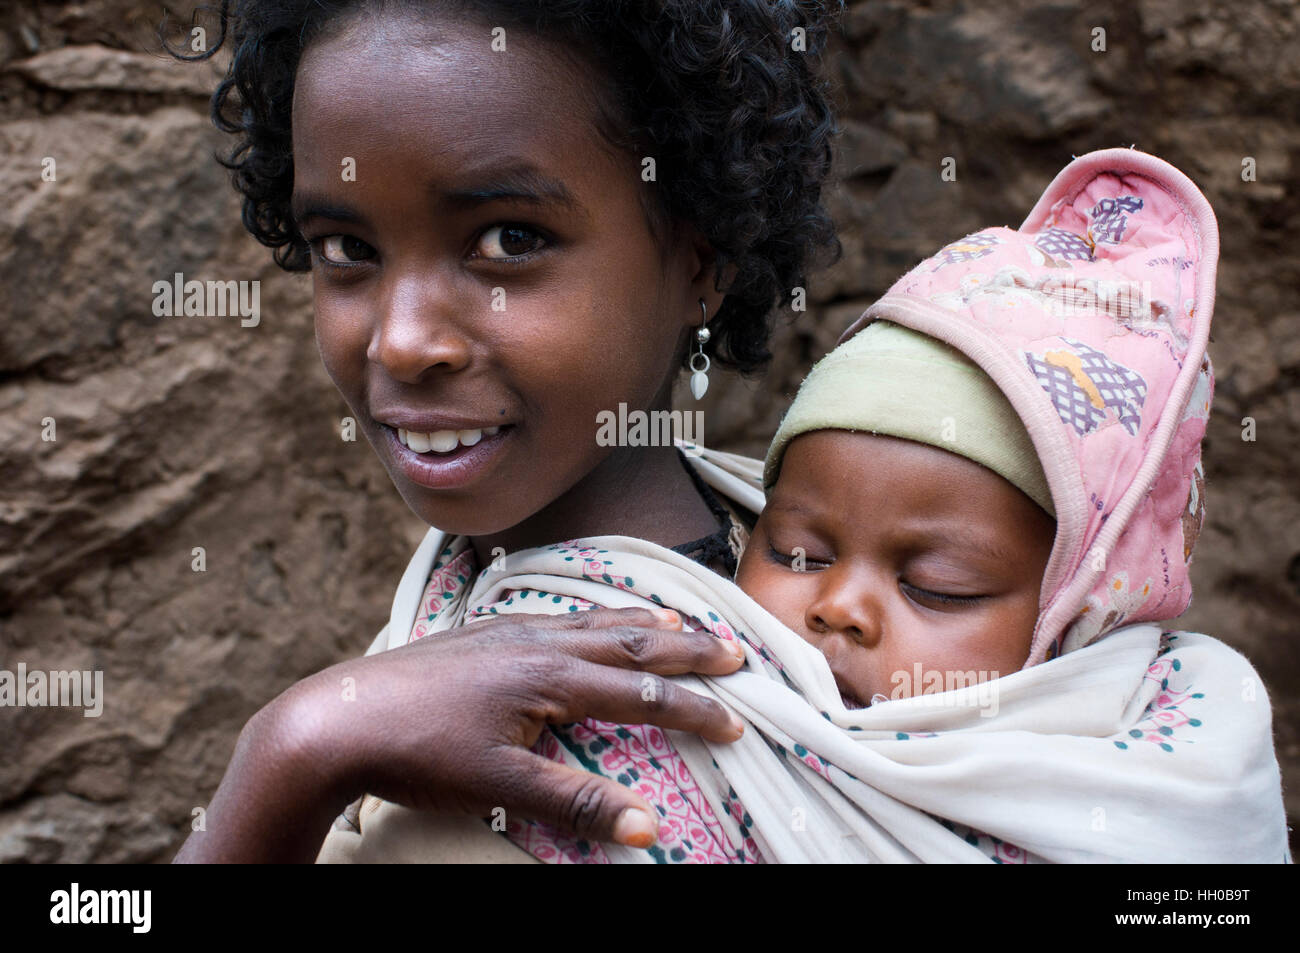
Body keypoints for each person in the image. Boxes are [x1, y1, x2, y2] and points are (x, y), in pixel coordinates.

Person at [334, 148, 1287, 862]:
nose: (837, 606)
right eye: (793, 552)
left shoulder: (1165, 783)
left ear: (1075, 618)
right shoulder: (569, 660)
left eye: (942, 586)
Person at [170, 0, 846, 863]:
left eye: (509, 238)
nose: (403, 340)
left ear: (700, 263)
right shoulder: (753, 544)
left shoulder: (547, 789)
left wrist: (291, 751)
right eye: (345, 247)